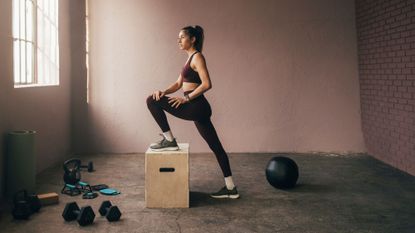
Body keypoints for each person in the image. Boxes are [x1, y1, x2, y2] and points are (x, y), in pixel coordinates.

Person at [146, 25, 239, 199]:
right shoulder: (189, 59)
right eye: (178, 38)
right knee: (216, 147)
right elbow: (178, 84)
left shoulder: (198, 58)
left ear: (192, 39)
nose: (178, 40)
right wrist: (163, 92)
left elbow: (207, 84)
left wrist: (186, 99)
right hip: (197, 108)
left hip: (196, 106)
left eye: (182, 37)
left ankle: (169, 140)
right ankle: (231, 188)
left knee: (151, 101)